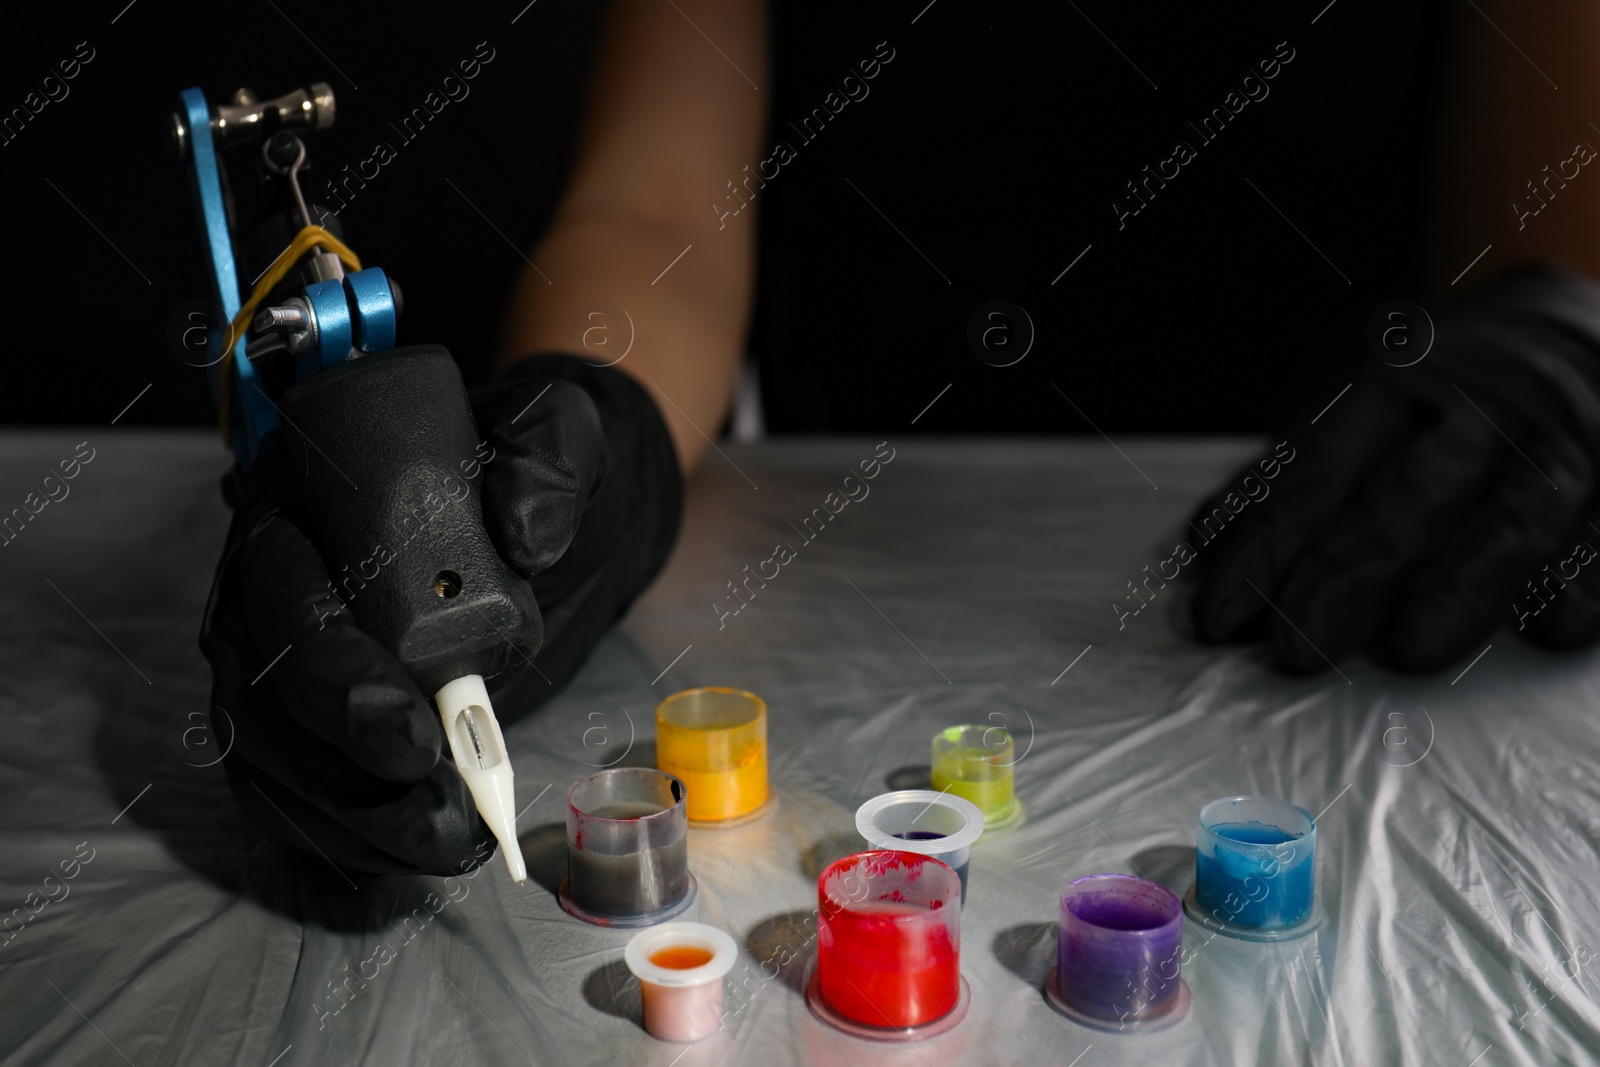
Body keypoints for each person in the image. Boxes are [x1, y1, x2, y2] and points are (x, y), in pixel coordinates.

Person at [197, 0, 1600, 875]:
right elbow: (658, 209)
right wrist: (594, 442)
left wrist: (1562, 338)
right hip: (830, 553)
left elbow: (1559, 198)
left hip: (1340, 568)